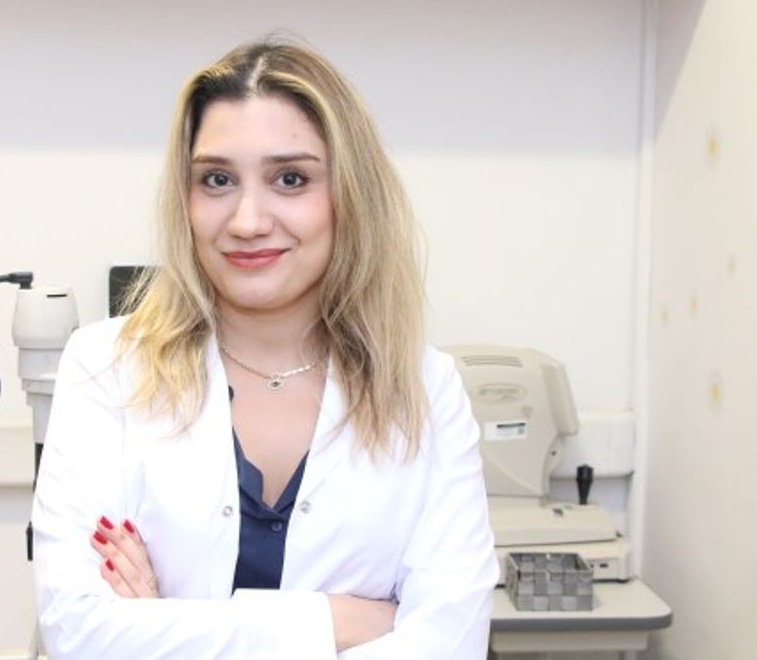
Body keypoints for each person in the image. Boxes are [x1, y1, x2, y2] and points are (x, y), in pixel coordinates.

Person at [31, 39, 498, 659]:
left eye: (290, 179)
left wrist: (164, 625)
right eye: (217, 180)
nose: (247, 221)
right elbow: (79, 635)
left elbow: (450, 644)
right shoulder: (105, 368)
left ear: (350, 195)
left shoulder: (425, 389)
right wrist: (337, 624)